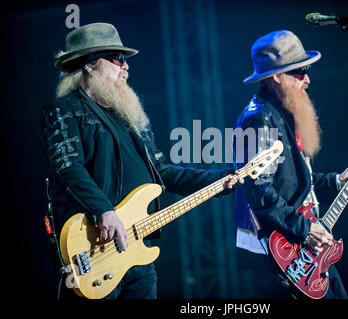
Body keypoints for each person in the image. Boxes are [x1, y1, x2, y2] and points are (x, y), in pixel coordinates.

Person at [40, 22, 243, 299]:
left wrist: (220, 179)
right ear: (89, 65)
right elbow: (68, 168)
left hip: (136, 250)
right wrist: (104, 211)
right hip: (93, 248)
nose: (126, 67)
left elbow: (161, 172)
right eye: (117, 59)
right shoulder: (63, 111)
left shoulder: (131, 118)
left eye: (125, 61)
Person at [233, 30, 348, 299]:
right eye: (299, 72)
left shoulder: (281, 112)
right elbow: (259, 192)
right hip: (285, 242)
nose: (307, 79)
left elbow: (294, 181)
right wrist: (305, 229)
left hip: (303, 237)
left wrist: (338, 180)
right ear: (276, 77)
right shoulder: (259, 120)